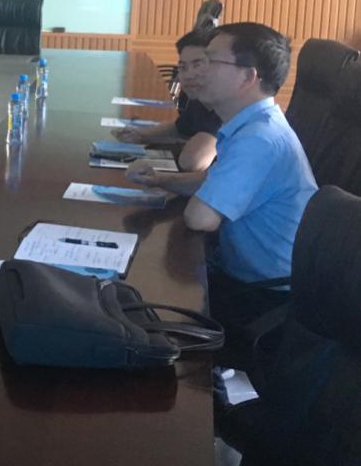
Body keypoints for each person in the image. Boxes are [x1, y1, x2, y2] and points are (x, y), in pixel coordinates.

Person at [126, 22, 317, 337]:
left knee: (135, 307)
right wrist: (159, 179)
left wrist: (181, 188)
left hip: (263, 299)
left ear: (247, 77)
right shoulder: (255, 124)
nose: (199, 72)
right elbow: (211, 181)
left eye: (210, 61)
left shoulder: (259, 139)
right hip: (247, 278)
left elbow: (200, 217)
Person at [114, 27, 221, 172]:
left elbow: (193, 161)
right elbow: (179, 129)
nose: (188, 75)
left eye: (198, 65)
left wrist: (187, 143)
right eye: (183, 67)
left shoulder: (226, 105)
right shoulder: (199, 98)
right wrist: (140, 134)